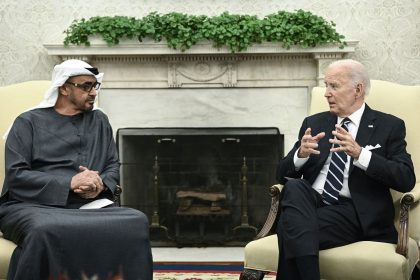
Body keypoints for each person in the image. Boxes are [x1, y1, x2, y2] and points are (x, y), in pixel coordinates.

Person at [0, 59, 153, 280]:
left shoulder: (99, 120)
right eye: (86, 86)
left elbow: (111, 165)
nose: (93, 93)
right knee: (45, 229)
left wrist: (100, 184)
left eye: (95, 86)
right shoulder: (27, 122)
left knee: (136, 221)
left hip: (89, 204)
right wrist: (70, 183)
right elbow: (17, 175)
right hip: (31, 205)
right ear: (63, 88)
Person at [275, 59, 416, 280]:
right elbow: (281, 174)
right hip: (313, 203)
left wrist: (361, 154)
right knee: (294, 188)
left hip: (355, 212)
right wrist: (300, 155)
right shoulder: (315, 122)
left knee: (288, 226)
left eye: (334, 86)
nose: (326, 93)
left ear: (357, 89)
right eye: (326, 85)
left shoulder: (389, 126)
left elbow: (406, 178)